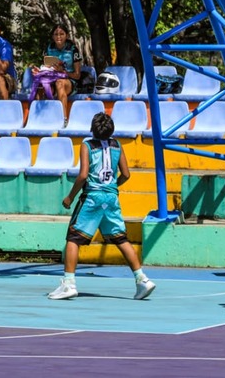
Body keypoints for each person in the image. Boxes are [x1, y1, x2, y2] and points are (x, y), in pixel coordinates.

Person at [49, 112, 156, 301]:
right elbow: (126, 174)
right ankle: (142, 279)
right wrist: (113, 186)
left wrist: (70, 197)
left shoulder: (87, 145)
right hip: (111, 198)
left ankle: (69, 284)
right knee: (121, 239)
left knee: (73, 238)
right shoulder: (117, 146)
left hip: (92, 197)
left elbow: (83, 175)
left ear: (92, 129)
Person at [31, 24, 82, 119]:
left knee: (60, 83)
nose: (59, 37)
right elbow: (47, 67)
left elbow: (77, 75)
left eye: (61, 34)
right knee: (41, 84)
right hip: (51, 79)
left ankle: (63, 119)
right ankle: (37, 117)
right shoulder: (49, 48)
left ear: (66, 35)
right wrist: (40, 71)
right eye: (56, 34)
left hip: (69, 82)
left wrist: (63, 71)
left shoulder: (73, 49)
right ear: (52, 36)